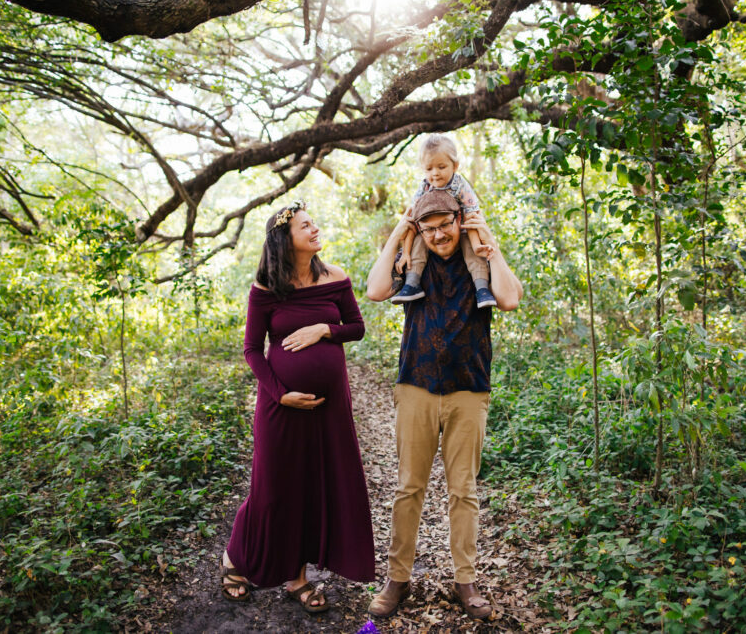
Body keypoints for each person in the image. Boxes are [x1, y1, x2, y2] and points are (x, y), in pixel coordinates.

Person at [364, 189, 523, 620]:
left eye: (445, 225)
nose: (438, 236)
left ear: (459, 220)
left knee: (463, 492)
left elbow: (510, 299)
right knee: (408, 488)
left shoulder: (481, 261)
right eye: (428, 228)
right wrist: (401, 229)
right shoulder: (411, 259)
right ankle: (398, 579)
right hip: (415, 385)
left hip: (469, 389)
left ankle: (465, 581)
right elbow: (375, 290)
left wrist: (491, 243)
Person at [220, 199, 375, 613]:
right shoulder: (267, 288)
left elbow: (356, 328)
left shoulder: (336, 277)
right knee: (273, 491)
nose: (315, 230)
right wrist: (279, 393)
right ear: (285, 240)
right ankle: (235, 556)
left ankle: (297, 577)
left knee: (313, 487)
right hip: (280, 408)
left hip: (329, 409)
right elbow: (252, 350)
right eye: (306, 226)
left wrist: (324, 329)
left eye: (314, 223)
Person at [391, 134, 496, 309]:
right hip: (430, 230)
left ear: (455, 166)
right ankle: (412, 283)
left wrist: (478, 244)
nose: (435, 173)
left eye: (441, 167)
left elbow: (472, 216)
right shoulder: (424, 187)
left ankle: (482, 288)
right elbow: (411, 222)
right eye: (429, 169)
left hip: (460, 228)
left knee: (472, 250)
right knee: (418, 241)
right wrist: (406, 252)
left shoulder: (460, 186)